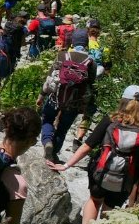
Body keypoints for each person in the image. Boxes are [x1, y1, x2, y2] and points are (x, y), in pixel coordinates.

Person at [47, 86, 139, 224]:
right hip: (125, 179)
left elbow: (87, 146)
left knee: (94, 201)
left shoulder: (111, 120)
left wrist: (66, 165)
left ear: (123, 101)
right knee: (109, 212)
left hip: (101, 173)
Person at [36, 29, 97, 162]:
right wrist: (86, 104)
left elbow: (49, 78)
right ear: (86, 43)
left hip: (55, 98)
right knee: (63, 128)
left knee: (47, 120)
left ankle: (47, 142)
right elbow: (91, 85)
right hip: (74, 102)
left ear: (72, 42)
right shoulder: (91, 62)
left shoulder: (62, 55)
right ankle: (54, 154)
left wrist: (41, 95)